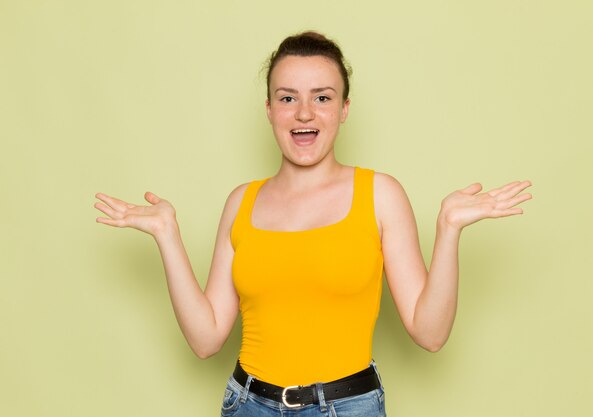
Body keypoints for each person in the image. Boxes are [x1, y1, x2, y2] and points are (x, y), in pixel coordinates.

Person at [94, 31, 532, 417]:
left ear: (343, 109)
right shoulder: (241, 202)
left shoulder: (380, 195)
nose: (304, 112)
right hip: (247, 405)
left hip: (348, 408)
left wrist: (449, 228)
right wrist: (167, 234)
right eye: (288, 98)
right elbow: (206, 339)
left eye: (322, 97)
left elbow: (430, 333)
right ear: (269, 109)